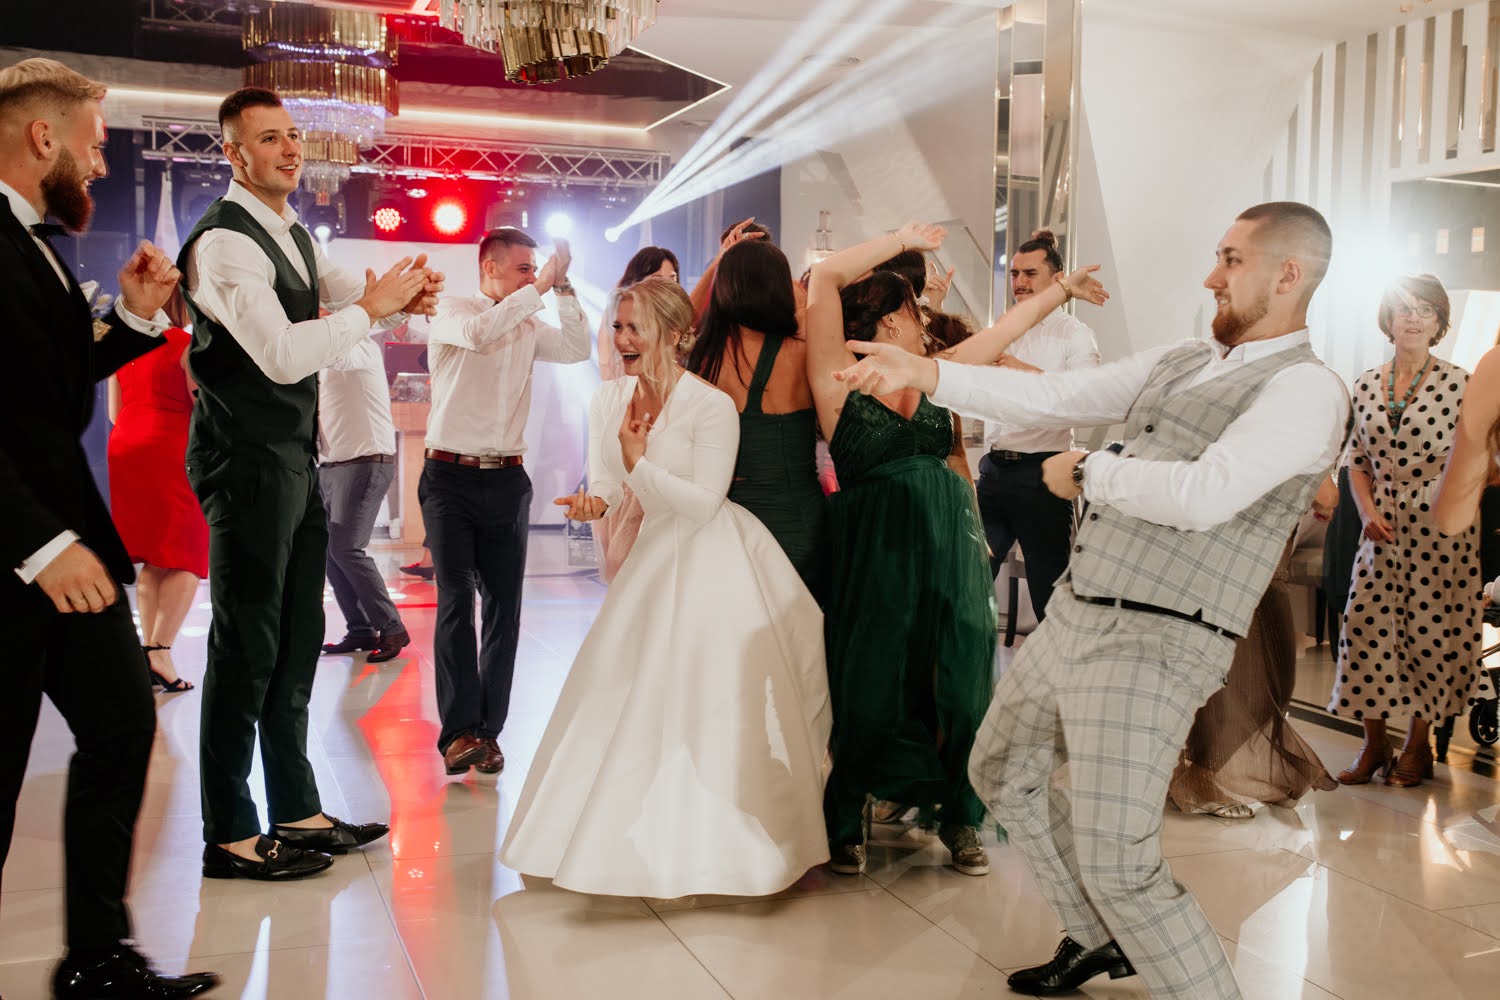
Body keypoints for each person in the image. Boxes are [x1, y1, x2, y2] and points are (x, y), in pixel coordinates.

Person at [835, 202, 1346, 999]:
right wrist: (926, 374)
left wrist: (1089, 471)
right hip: (1081, 607)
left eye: (1231, 260)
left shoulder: (1308, 388)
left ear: (1289, 274)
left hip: (1162, 635)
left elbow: (1206, 493)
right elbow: (1059, 395)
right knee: (1000, 770)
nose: (1211, 277)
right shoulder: (1185, 358)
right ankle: (1100, 936)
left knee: (1120, 859)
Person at [0, 56, 219, 998]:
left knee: (124, 727)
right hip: (22, 550)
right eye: (92, 144)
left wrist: (133, 315)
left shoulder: (35, 242)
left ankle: (95, 961)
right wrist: (40, 545)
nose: (99, 164)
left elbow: (49, 378)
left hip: (68, 546)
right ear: (41, 135)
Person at [500, 277, 830, 897]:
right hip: (652, 556)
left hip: (715, 561)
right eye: (617, 326)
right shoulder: (608, 399)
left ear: (678, 335)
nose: (622, 338)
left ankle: (726, 846)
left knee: (709, 698)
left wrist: (639, 462)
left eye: (636, 327)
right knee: (628, 690)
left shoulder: (711, 405)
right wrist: (594, 503)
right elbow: (608, 483)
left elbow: (704, 503)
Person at [181, 86, 438, 879]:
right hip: (245, 461)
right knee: (244, 647)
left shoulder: (291, 231)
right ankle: (229, 830)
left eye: (292, 134)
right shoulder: (225, 245)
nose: (290, 148)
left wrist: (402, 299)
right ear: (233, 153)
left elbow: (358, 303)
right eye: (269, 138)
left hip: (295, 457)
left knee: (294, 642)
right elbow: (287, 355)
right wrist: (376, 306)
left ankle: (295, 810)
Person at [804, 222, 1102, 879]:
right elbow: (824, 277)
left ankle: (960, 815)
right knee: (871, 684)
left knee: (964, 681)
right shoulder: (836, 378)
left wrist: (1061, 293)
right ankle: (847, 815)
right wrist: (902, 238)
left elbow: (1000, 335)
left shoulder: (938, 371)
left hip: (952, 544)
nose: (926, 318)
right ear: (890, 319)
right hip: (877, 551)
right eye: (915, 310)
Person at [422, 226, 589, 777]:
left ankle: (488, 734)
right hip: (449, 477)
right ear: (489, 267)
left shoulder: (528, 322)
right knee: (455, 602)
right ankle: (458, 733)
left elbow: (576, 348)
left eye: (534, 269)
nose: (531, 277)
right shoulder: (453, 310)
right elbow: (479, 333)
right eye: (523, 268)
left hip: (507, 480)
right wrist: (539, 288)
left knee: (503, 610)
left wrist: (562, 289)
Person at [1330, 274, 1488, 787]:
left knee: (1431, 635)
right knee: (1363, 631)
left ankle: (1418, 746)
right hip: (1380, 527)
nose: (1413, 318)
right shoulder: (1365, 384)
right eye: (1404, 309)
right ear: (1389, 320)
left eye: (1425, 310)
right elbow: (1356, 460)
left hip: (1441, 529)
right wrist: (1366, 510)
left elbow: (1485, 456)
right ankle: (1374, 744)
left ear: (1439, 322)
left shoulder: (1463, 384)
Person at [686, 239, 826, 595]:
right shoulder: (802, 351)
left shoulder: (702, 356)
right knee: (800, 623)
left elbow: (676, 320)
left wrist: (718, 262)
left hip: (726, 518)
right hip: (797, 517)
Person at [1168, 528, 1338, 818]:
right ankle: (1198, 776)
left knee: (1276, 676)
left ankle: (1195, 770)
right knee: (1229, 665)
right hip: (1224, 534)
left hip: (1271, 535)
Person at [976, 230, 1101, 618]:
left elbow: (1086, 402)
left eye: (1030, 273)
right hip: (993, 471)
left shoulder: (1075, 335)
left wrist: (1023, 371)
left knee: (1050, 593)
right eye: (1015, 273)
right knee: (969, 578)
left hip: (1043, 476)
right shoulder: (1004, 327)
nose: (1019, 282)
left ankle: (1054, 658)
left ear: (1058, 278)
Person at [107, 288, 209, 692]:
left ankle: (149, 652)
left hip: (126, 446)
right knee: (187, 552)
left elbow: (114, 412)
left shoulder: (120, 350)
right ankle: (161, 651)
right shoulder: (185, 345)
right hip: (169, 445)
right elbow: (201, 406)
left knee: (155, 556)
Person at [317, 332, 410, 663]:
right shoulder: (324, 354)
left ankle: (392, 628)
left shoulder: (358, 345)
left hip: (365, 461)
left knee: (346, 548)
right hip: (331, 463)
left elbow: (333, 355)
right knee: (330, 551)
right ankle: (360, 629)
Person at [594, 245, 679, 582]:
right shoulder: (619, 323)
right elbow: (612, 379)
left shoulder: (669, 325)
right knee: (627, 535)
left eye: (673, 277)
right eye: (659, 277)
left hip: (664, 437)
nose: (668, 284)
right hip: (630, 433)